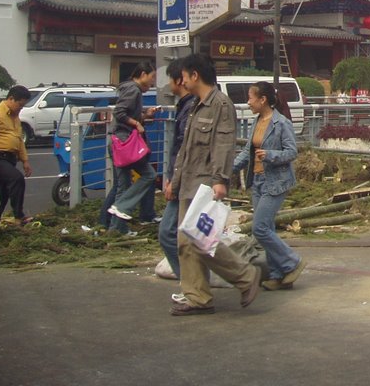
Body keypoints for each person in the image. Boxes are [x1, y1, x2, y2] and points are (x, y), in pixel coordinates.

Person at [167, 54, 261, 315]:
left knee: (196, 239)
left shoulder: (220, 105)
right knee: (190, 241)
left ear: (195, 75)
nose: (182, 81)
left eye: (184, 76)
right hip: (189, 181)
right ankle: (198, 295)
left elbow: (223, 145)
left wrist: (220, 180)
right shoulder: (197, 105)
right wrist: (175, 183)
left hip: (205, 184)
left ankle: (243, 276)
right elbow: (185, 150)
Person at [232, 81, 304, 291]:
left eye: (250, 98)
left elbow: (292, 152)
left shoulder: (281, 123)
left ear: (262, 100)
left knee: (260, 228)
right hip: (258, 181)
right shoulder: (257, 122)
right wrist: (227, 170)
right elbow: (248, 151)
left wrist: (271, 155)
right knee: (267, 227)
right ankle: (278, 274)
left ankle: (293, 262)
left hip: (276, 182)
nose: (248, 102)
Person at [107, 62, 158, 232]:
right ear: (143, 74)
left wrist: (144, 116)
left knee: (123, 185)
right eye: (152, 78)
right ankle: (122, 206)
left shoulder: (129, 89)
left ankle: (117, 228)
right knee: (149, 175)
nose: (152, 82)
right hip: (125, 143)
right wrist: (137, 122)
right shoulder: (133, 90)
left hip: (118, 142)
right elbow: (120, 113)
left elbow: (124, 114)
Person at [158, 58, 197, 280]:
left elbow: (185, 149)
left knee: (168, 233)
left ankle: (191, 281)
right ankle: (192, 281)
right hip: (180, 178)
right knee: (188, 235)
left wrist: (174, 180)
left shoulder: (193, 107)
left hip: (186, 181)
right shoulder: (185, 107)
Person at [0, 85, 33, 227]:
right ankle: (19, 215)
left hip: (10, 158)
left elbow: (19, 139)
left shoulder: (15, 117)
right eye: (20, 105)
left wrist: (25, 160)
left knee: (1, 194)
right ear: (11, 98)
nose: (20, 108)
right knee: (17, 179)